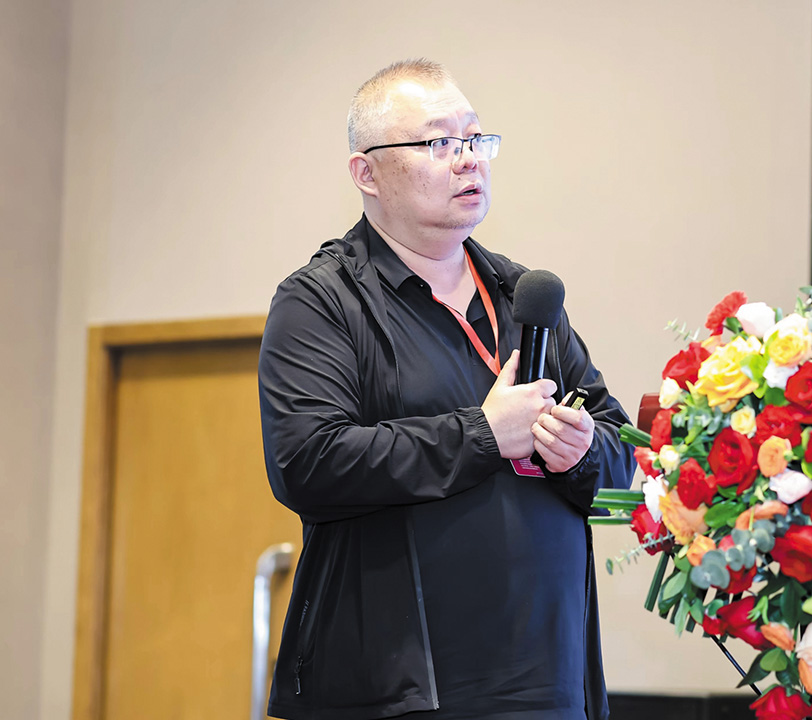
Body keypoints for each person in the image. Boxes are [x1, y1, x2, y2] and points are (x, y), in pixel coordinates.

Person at [258, 59, 635, 720]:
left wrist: (580, 452)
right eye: (439, 142)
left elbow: (621, 459)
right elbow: (308, 462)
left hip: (550, 683)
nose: (469, 159)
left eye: (475, 139)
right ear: (366, 173)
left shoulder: (525, 297)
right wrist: (484, 434)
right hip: (400, 693)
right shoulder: (321, 301)